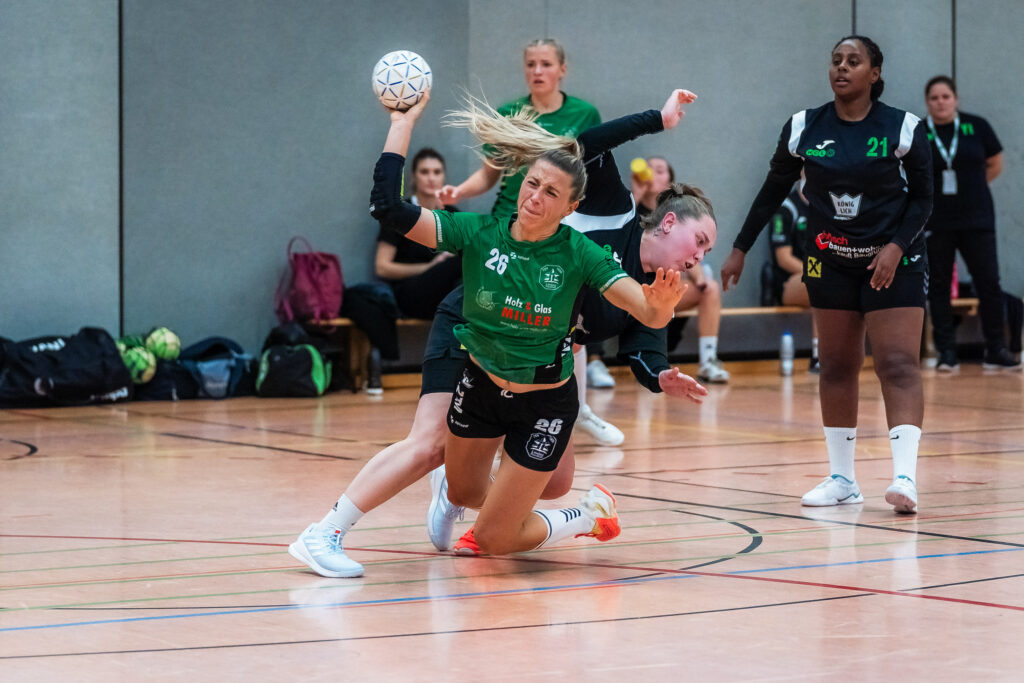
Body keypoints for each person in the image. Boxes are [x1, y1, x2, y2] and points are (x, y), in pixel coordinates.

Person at [287, 89, 709, 577]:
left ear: (570, 205)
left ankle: (513, 504)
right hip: (474, 347)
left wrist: (659, 327)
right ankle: (327, 531)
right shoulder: (487, 233)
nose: (535, 197)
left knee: (553, 485)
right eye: (531, 184)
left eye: (550, 192)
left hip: (540, 373)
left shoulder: (582, 256)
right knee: (429, 443)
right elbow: (389, 207)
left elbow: (644, 316)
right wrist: (401, 123)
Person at [722, 35, 934, 514]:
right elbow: (773, 188)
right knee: (836, 365)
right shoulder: (803, 127)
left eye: (853, 61)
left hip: (892, 261)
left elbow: (924, 199)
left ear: (874, 74)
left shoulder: (903, 128)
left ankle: (904, 477)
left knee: (897, 363)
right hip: (829, 259)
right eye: (836, 60)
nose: (842, 67)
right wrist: (740, 248)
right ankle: (842, 479)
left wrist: (897, 247)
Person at [438, 38, 601, 219]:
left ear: (562, 69)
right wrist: (459, 192)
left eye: (546, 64)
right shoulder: (508, 113)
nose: (537, 71)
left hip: (560, 220)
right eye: (531, 64)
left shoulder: (586, 114)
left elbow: (594, 175)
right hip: (510, 217)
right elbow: (488, 174)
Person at [920, 76, 1017, 372]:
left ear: (956, 99)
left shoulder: (976, 126)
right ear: (927, 102)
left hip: (977, 219)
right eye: (935, 98)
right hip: (937, 220)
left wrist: (972, 189)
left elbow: (995, 163)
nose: (941, 102)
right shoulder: (920, 131)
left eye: (946, 96)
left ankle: (996, 349)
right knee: (938, 286)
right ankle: (947, 353)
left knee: (988, 282)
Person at [634, 156, 729, 383]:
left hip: (664, 289)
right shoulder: (630, 208)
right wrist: (636, 193)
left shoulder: (683, 218)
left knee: (710, 288)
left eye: (659, 170)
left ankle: (708, 361)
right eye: (649, 169)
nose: (652, 173)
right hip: (631, 288)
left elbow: (689, 255)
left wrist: (700, 278)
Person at [767, 181, 819, 372]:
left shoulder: (829, 206)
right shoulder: (786, 208)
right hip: (788, 281)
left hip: (819, 274)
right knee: (820, 284)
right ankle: (819, 357)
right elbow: (784, 258)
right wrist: (817, 272)